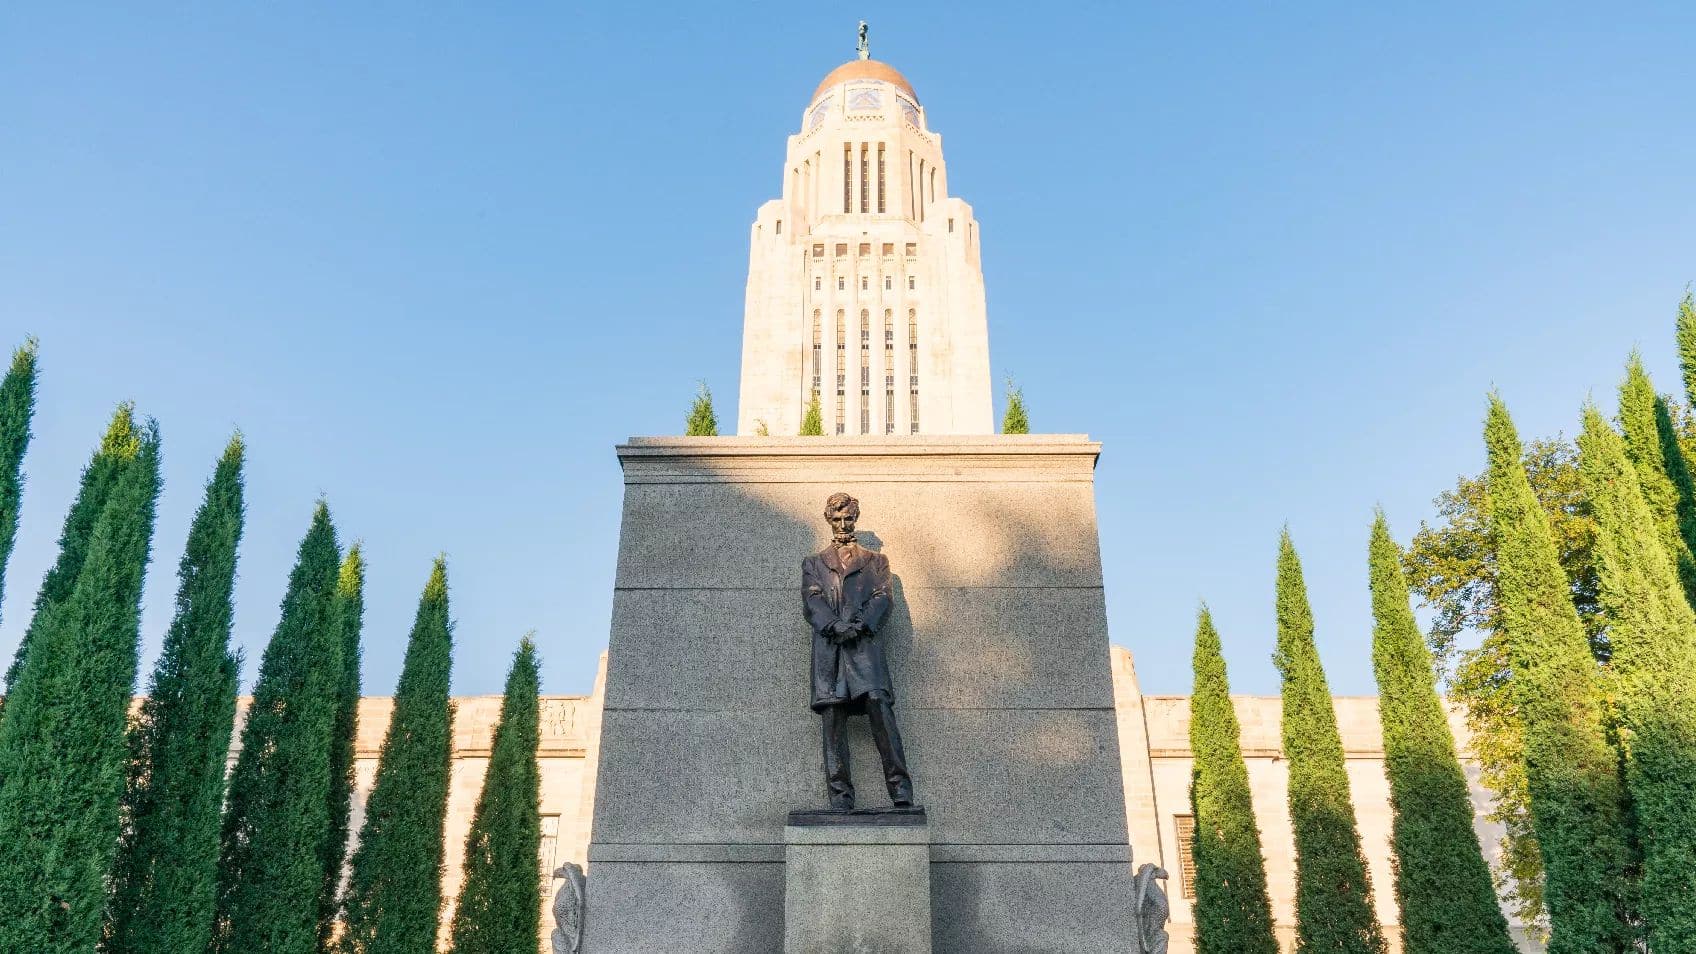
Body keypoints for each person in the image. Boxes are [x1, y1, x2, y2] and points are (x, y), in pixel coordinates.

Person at [801, 492, 914, 810]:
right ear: (828, 520)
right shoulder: (814, 563)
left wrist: (860, 625)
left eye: (847, 518)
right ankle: (840, 796)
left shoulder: (876, 561)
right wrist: (835, 626)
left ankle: (901, 789)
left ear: (855, 518)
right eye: (836, 519)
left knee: (879, 705)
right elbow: (812, 601)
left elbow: (883, 597)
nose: (842, 524)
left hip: (865, 649)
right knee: (833, 718)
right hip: (831, 651)